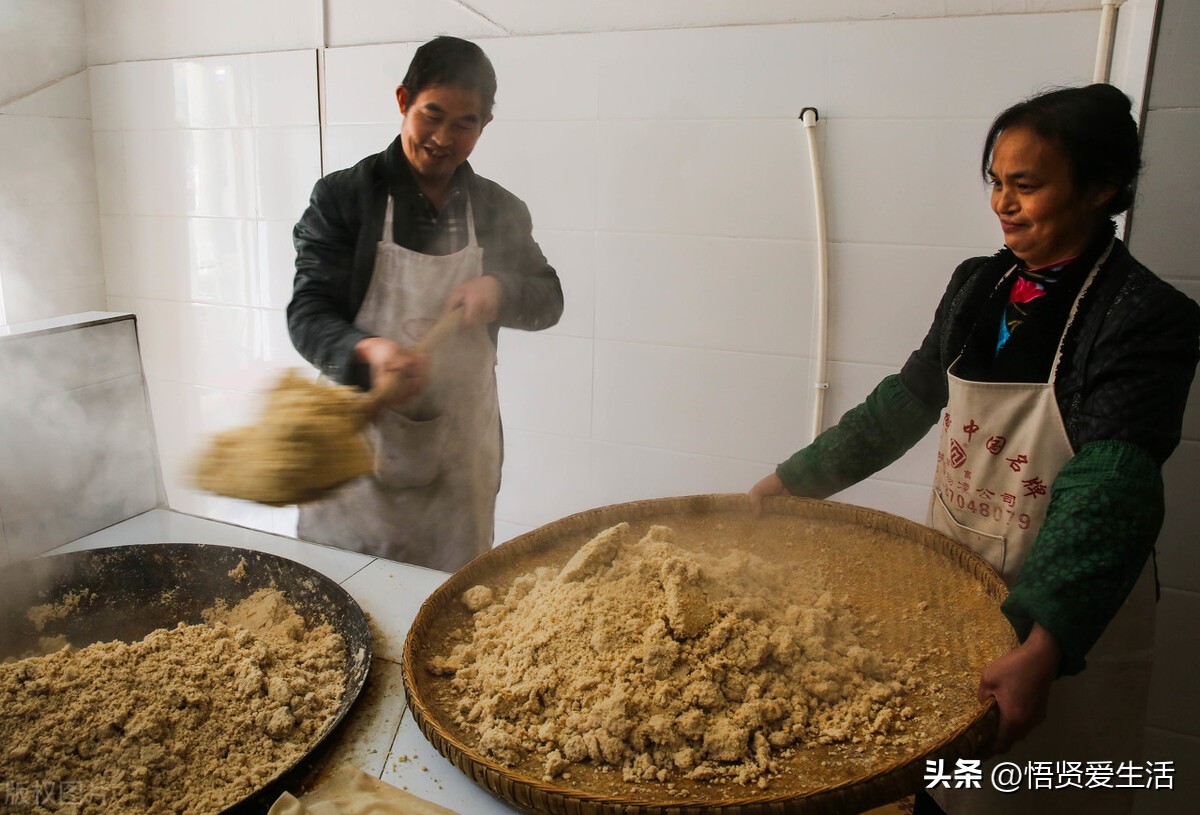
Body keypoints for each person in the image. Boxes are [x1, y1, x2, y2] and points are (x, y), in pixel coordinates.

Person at [749, 84, 1199, 815]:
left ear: (1101, 189)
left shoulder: (1145, 316)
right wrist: (793, 481)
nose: (1002, 203)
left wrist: (1048, 641)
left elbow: (1115, 481)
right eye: (996, 181)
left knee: (1042, 789)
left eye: (1026, 184)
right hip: (962, 584)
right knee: (951, 783)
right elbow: (908, 400)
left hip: (1072, 608)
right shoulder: (979, 284)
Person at [288, 36, 563, 572]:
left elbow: (549, 299)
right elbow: (308, 314)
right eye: (431, 115)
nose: (442, 138)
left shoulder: (498, 209)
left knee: (449, 610)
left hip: (461, 456)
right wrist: (369, 351)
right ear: (403, 102)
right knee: (350, 603)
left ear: (485, 125)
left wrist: (502, 291)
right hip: (360, 455)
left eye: (465, 124)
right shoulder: (345, 198)